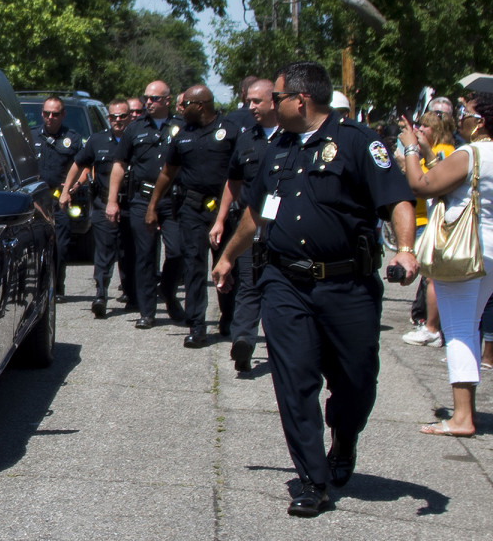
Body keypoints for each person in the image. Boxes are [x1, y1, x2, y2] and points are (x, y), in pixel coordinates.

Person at [211, 61, 417, 518]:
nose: (269, 105)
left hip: (347, 285)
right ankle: (312, 480)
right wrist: (227, 256)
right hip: (285, 282)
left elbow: (397, 198)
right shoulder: (277, 148)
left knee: (356, 381)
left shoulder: (358, 142)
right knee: (294, 381)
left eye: (277, 97)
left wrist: (405, 249)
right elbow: (258, 212)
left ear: (300, 100)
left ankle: (344, 436)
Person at [397, 92, 493, 438]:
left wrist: (411, 148)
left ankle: (462, 417)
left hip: (467, 250)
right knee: (472, 324)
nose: (461, 118)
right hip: (489, 251)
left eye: (466, 113)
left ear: (480, 122)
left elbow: (421, 185)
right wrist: (428, 153)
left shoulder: (471, 153)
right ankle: (466, 410)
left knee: (459, 330)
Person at [145, 84, 238, 348]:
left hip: (224, 209)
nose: (181, 109)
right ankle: (197, 325)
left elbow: (240, 174)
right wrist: (153, 205)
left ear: (200, 105)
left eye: (185, 105)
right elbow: (167, 172)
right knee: (194, 266)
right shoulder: (183, 135)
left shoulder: (230, 131)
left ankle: (228, 318)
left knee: (227, 265)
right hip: (192, 209)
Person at [209, 79, 280, 372]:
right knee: (248, 284)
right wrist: (220, 219)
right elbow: (233, 182)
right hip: (251, 226)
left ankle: (281, 347)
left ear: (274, 101)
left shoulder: (291, 138)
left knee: (277, 289)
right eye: (248, 101)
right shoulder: (247, 138)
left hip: (284, 229)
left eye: (256, 101)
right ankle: (243, 342)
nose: (250, 107)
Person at [106, 81, 184, 329]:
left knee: (178, 250)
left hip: (172, 199)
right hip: (142, 198)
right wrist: (112, 200)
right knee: (144, 255)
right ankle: (147, 311)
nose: (148, 102)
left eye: (154, 98)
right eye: (146, 98)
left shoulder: (181, 126)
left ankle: (168, 291)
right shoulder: (135, 128)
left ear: (167, 100)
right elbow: (119, 164)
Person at [61, 98, 132, 316]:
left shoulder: (138, 139)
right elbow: (79, 163)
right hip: (103, 203)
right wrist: (66, 189)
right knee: (103, 250)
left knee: (130, 251)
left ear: (130, 117)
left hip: (132, 203)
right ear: (108, 118)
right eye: (113, 117)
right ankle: (101, 294)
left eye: (122, 116)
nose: (118, 120)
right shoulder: (97, 140)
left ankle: (134, 294)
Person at [401, 107, 457, 347]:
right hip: (424, 218)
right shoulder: (433, 151)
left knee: (432, 277)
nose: (420, 129)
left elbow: (424, 183)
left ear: (438, 129)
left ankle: (432, 328)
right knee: (429, 277)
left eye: (426, 125)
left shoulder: (444, 151)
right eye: (420, 124)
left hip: (434, 222)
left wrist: (413, 153)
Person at [32, 96, 82, 297]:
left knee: (61, 245)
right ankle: (39, 288)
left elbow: (84, 166)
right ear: (42, 113)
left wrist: (74, 187)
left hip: (59, 199)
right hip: (36, 201)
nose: (50, 117)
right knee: (37, 245)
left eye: (55, 114)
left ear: (63, 114)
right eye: (47, 113)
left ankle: (58, 286)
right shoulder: (31, 136)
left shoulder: (72, 139)